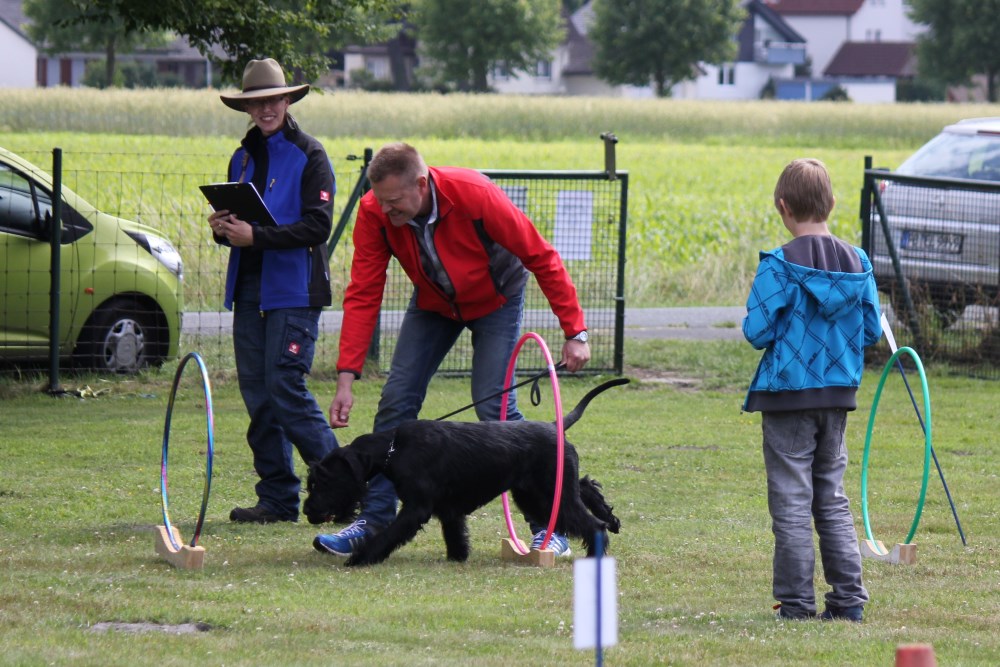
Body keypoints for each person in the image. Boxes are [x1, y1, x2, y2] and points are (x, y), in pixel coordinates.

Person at [314, 142, 591, 557]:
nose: (385, 210)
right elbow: (363, 292)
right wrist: (346, 377)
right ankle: (373, 521)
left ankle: (548, 527)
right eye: (380, 201)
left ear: (421, 184)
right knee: (395, 403)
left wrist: (575, 331)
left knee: (493, 406)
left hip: (497, 297)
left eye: (394, 201)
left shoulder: (474, 194)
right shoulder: (375, 211)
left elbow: (540, 255)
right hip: (433, 303)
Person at [742, 158, 882, 622]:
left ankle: (797, 604)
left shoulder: (778, 266)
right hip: (837, 396)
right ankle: (848, 601)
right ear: (833, 204)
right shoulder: (858, 262)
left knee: (791, 502)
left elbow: (757, 331)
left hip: (787, 398)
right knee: (832, 499)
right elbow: (870, 332)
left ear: (783, 207)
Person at [209, 58, 339, 524]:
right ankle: (278, 499)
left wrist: (256, 237)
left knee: (286, 388)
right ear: (247, 107)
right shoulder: (239, 158)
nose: (266, 108)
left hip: (295, 292)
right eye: (257, 102)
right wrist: (222, 228)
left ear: (287, 101)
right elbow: (238, 227)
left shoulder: (311, 154)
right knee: (258, 396)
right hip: (248, 289)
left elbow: (318, 225)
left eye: (274, 100)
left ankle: (344, 489)